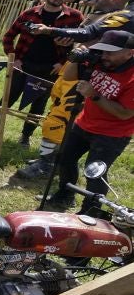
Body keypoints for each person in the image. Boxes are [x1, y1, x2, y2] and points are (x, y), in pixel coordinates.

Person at [16, 0, 133, 179]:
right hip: (82, 67)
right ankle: (51, 159)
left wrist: (49, 30)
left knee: (62, 116)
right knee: (59, 109)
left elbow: (88, 34)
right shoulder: (107, 13)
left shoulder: (126, 16)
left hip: (91, 72)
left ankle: (47, 164)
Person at [0, 0, 82, 145]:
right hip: (23, 65)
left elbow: (80, 44)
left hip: (51, 68)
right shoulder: (29, 14)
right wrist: (14, 58)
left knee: (38, 103)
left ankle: (25, 136)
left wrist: (62, 63)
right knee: (7, 98)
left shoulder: (75, 17)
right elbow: (9, 36)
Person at [48, 31, 134, 213]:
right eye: (102, 50)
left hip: (112, 134)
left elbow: (125, 113)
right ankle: (65, 195)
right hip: (84, 123)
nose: (105, 55)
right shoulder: (98, 61)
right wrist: (76, 58)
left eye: (110, 52)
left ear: (129, 52)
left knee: (94, 173)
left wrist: (94, 95)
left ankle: (91, 210)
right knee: (65, 159)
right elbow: (69, 76)